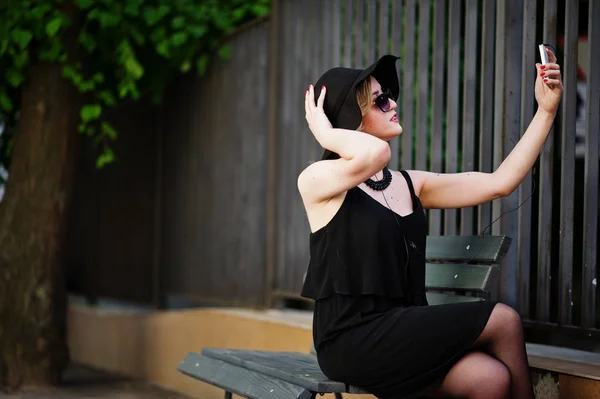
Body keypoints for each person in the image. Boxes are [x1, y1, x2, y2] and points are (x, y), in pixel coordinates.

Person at [298, 50, 562, 399]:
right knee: (504, 319)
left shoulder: (410, 184)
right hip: (351, 339)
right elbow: (375, 155)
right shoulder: (317, 181)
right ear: (352, 117)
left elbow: (501, 182)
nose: (392, 104)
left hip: (404, 332)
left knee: (489, 379)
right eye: (379, 101)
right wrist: (326, 134)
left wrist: (546, 111)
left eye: (389, 96)